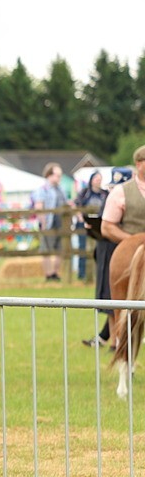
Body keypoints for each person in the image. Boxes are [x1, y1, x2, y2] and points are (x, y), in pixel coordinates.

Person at [98, 147, 145, 344]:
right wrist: (130, 241)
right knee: (120, 302)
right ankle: (120, 341)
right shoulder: (121, 192)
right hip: (132, 251)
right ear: (138, 163)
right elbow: (107, 227)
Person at [77, 171, 112, 346]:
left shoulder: (109, 196)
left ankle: (108, 339)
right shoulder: (89, 194)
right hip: (106, 246)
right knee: (117, 299)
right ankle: (106, 338)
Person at [30, 163, 71, 282]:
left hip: (60, 222)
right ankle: (49, 274)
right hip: (48, 223)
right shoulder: (42, 190)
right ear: (49, 175)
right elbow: (39, 206)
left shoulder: (61, 189)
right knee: (46, 250)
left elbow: (66, 203)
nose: (59, 178)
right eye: (57, 175)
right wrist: (43, 222)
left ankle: (56, 273)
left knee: (60, 248)